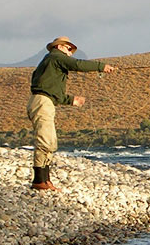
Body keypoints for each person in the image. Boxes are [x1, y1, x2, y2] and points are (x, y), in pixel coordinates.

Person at [27, 36, 117, 190]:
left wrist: (72, 100)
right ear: (60, 47)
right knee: (46, 141)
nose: (70, 53)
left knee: (50, 142)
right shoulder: (56, 57)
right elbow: (77, 64)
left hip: (44, 102)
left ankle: (45, 181)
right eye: (69, 49)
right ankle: (39, 181)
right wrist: (101, 67)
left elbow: (52, 91)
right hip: (43, 103)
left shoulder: (50, 64)